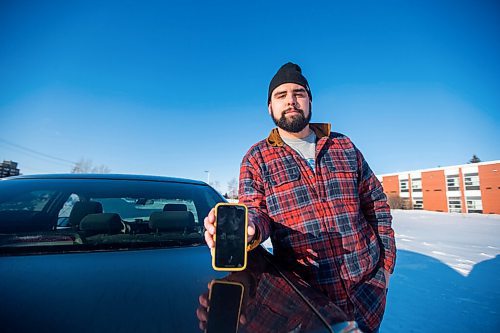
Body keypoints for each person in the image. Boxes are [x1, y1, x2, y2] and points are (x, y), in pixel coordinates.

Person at [204, 62, 396, 333]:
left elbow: (377, 205)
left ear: (310, 100)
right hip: (304, 301)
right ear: (269, 107)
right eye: (281, 96)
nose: (291, 101)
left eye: (299, 93)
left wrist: (385, 269)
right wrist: (247, 231)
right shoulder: (257, 158)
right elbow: (255, 212)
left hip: (367, 294)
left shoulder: (344, 145)